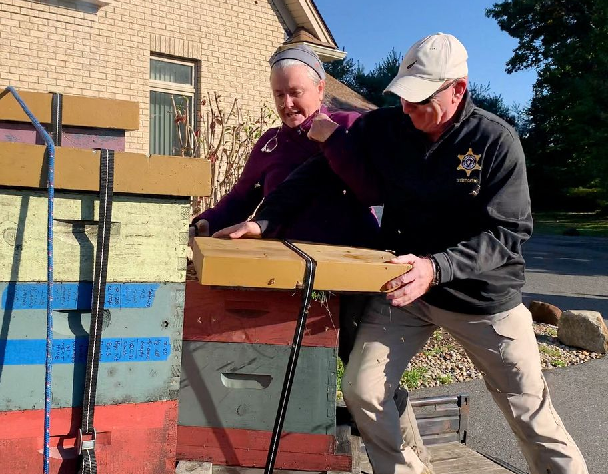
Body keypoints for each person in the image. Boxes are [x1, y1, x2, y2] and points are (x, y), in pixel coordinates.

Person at [213, 33, 589, 474]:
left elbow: (508, 232)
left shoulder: (495, 141)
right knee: (363, 390)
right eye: (403, 98)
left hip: (483, 300)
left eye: (420, 100)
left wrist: (438, 267)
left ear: (458, 90)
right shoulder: (390, 126)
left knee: (530, 414)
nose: (407, 109)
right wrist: (265, 221)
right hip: (407, 292)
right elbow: (317, 171)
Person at [193, 43, 433, 471]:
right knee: (293, 367)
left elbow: (369, 188)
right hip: (288, 277)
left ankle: (412, 455)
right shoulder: (269, 144)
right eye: (279, 95)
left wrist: (332, 141)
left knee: (369, 373)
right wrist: (210, 222)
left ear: (320, 88)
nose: (288, 103)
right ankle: (297, 455)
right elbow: (242, 196)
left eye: (296, 92)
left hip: (354, 275)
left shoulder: (350, 125)